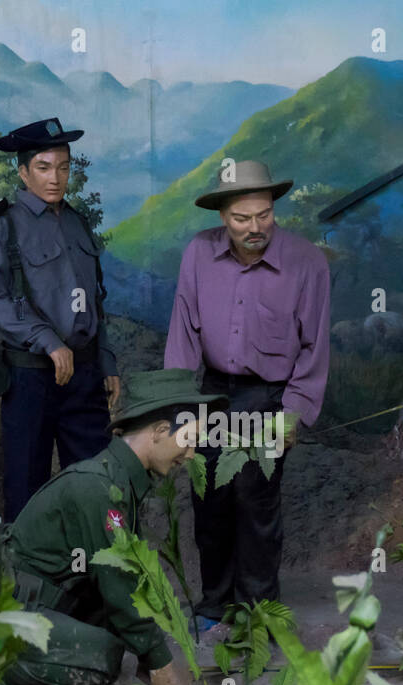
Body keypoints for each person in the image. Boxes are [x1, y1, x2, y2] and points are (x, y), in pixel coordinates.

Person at [0, 369, 228, 685]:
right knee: (101, 657)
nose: (191, 454)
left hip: (44, 595)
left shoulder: (120, 479)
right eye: (188, 440)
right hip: (0, 599)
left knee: (125, 627)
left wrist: (147, 651)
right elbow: (119, 585)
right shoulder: (99, 488)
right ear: (159, 431)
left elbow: (129, 584)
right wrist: (160, 665)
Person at [164, 159, 330, 628]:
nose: (255, 227)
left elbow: (315, 345)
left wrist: (292, 413)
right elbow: (183, 334)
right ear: (222, 217)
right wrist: (182, 409)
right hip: (213, 393)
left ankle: (259, 611)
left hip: (268, 396)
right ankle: (215, 603)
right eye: (242, 218)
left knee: (254, 498)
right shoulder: (198, 253)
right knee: (209, 497)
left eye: (264, 215)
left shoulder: (306, 262)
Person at [0, 116, 121, 520]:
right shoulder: (1, 227)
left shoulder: (76, 223)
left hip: (85, 376)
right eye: (43, 167)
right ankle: (28, 580)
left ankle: (90, 575)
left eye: (63, 167)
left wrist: (105, 360)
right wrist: (46, 339)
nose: (55, 178)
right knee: (27, 487)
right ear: (23, 172)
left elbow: (95, 299)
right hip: (31, 377)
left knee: (96, 481)